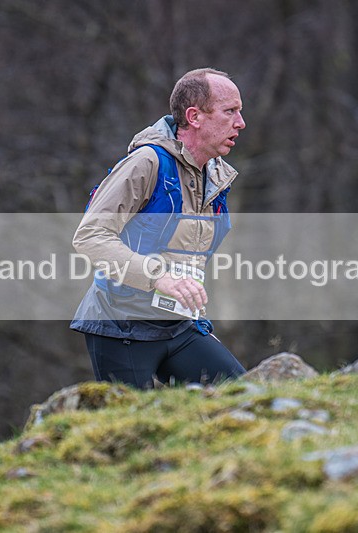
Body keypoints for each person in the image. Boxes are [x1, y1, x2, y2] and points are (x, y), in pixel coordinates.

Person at [70, 68, 247, 389]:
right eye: (230, 111)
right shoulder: (146, 163)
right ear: (194, 116)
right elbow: (90, 236)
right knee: (131, 433)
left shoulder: (217, 176)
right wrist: (158, 277)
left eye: (240, 111)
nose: (240, 123)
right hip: (119, 328)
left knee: (244, 399)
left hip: (178, 326)